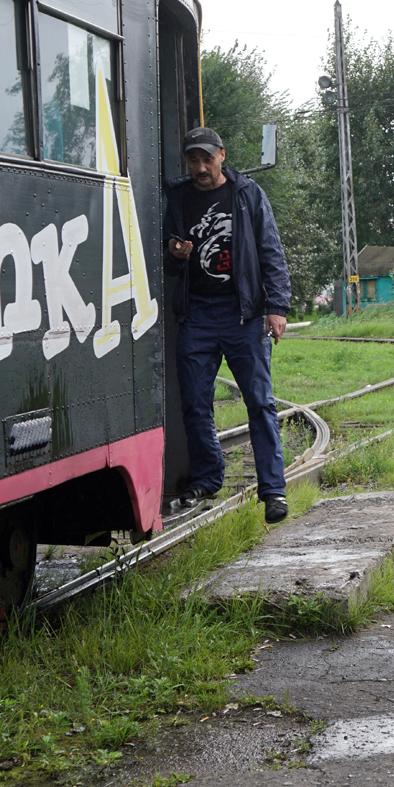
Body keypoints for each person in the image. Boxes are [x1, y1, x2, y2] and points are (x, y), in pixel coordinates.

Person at [163, 127, 292, 523]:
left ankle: (273, 490)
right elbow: (166, 264)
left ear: (222, 155)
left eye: (207, 159)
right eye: (193, 160)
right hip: (198, 313)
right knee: (195, 404)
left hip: (244, 314)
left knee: (260, 402)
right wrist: (177, 255)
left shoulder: (247, 193)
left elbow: (270, 249)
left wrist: (277, 305)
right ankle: (207, 478)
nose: (200, 167)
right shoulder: (179, 198)